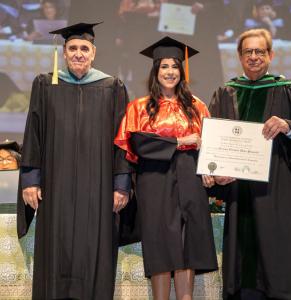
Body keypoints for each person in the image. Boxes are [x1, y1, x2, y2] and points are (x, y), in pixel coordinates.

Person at [17, 22, 133, 300]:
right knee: (56, 249)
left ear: (94, 53)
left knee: (93, 248)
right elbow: (33, 133)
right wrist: (31, 180)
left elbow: (122, 139)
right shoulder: (45, 85)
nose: (78, 54)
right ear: (64, 53)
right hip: (56, 188)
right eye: (72, 48)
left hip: (99, 189)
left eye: (84, 48)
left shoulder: (112, 87)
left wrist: (121, 184)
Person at [114, 36, 218, 300]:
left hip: (190, 176)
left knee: (188, 243)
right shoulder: (140, 107)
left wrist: (209, 167)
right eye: (164, 67)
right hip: (155, 178)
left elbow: (210, 144)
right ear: (155, 71)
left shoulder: (196, 106)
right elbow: (139, 142)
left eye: (175, 67)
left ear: (182, 72)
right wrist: (181, 140)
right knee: (160, 242)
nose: (170, 72)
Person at [209, 28, 291, 300]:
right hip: (240, 195)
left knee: (279, 262)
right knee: (243, 271)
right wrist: (215, 174)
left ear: (270, 55)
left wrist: (289, 126)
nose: (253, 56)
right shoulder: (226, 93)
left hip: (279, 193)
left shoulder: (287, 91)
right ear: (239, 56)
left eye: (260, 51)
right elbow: (212, 143)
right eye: (247, 51)